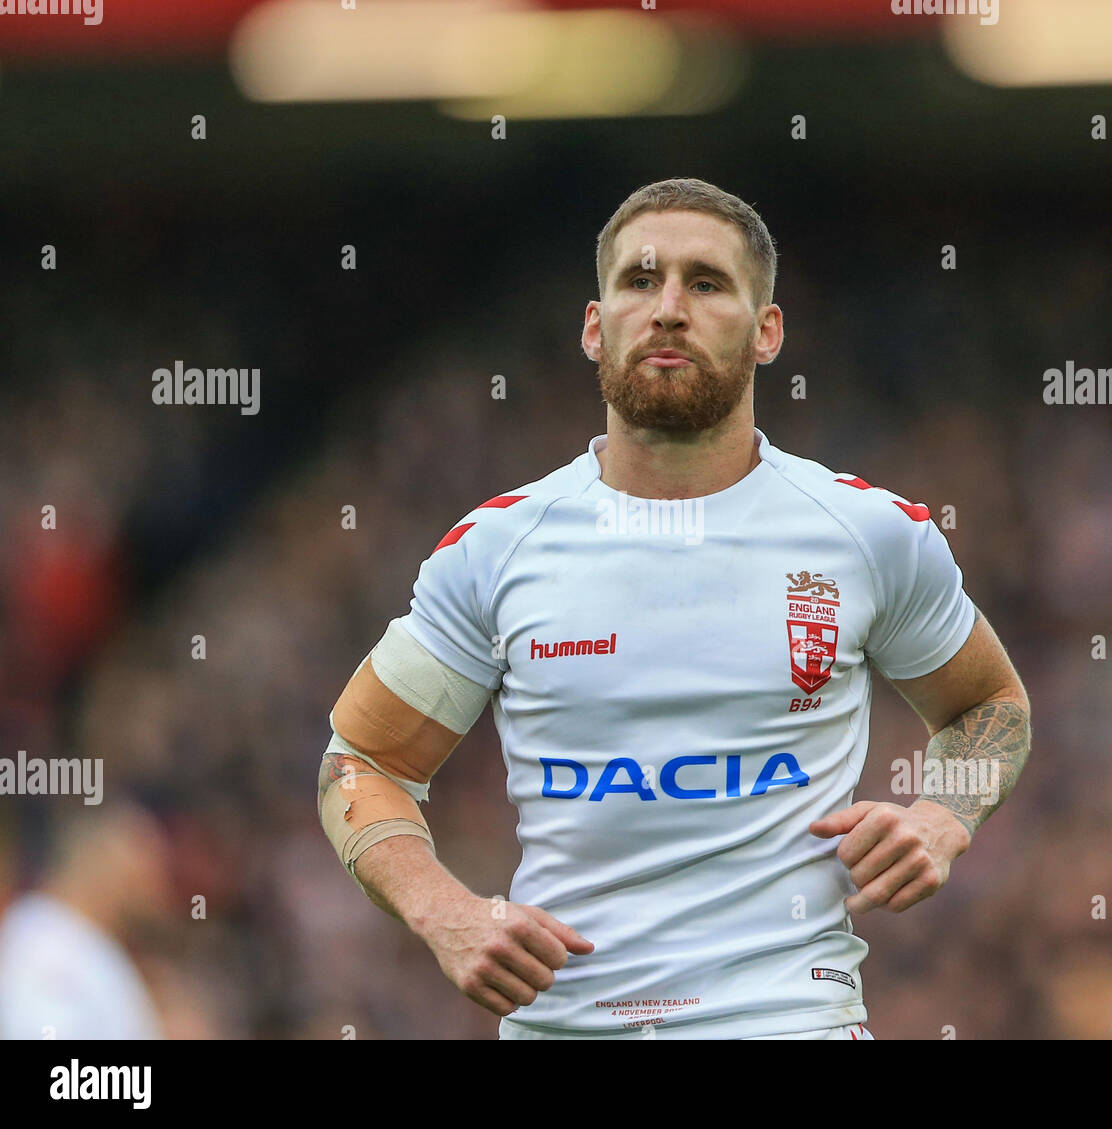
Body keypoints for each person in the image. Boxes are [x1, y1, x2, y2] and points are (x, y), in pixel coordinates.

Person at [317, 178, 1031, 1040]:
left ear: (767, 331)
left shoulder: (868, 534)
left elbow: (990, 703)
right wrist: (443, 911)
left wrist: (942, 814)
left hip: (788, 1020)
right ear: (594, 325)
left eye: (705, 283)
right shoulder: (495, 549)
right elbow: (361, 761)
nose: (667, 309)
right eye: (639, 280)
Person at [0, 801, 168, 1039]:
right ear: (101, 861)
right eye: (142, 859)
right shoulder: (45, 940)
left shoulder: (82, 939)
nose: (149, 882)